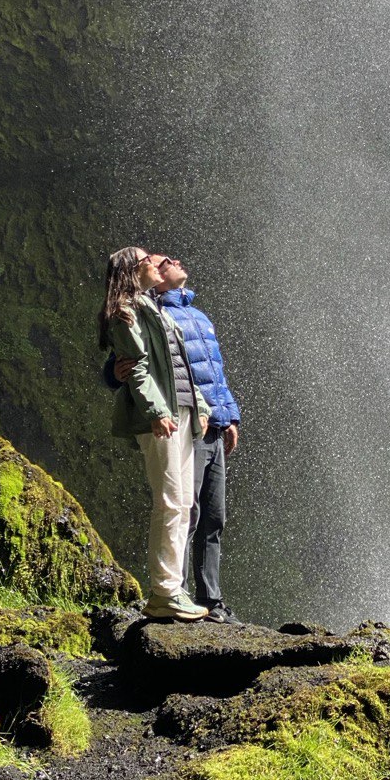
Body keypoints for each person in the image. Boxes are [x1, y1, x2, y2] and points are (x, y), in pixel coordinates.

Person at [111, 255, 242, 625]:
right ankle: (173, 589)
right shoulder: (147, 310)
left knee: (209, 513)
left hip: (204, 419)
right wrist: (114, 373)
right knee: (184, 507)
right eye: (160, 261)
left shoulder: (196, 316)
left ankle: (209, 597)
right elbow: (130, 359)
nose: (171, 261)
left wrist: (226, 414)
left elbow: (212, 371)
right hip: (175, 417)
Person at [98, 246, 211, 621]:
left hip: (181, 412)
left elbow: (180, 364)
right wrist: (156, 411)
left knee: (182, 504)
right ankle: (164, 592)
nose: (153, 264)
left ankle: (172, 589)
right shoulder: (125, 312)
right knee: (169, 501)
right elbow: (138, 370)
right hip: (161, 416)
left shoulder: (154, 308)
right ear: (133, 270)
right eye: (147, 260)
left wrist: (202, 406)